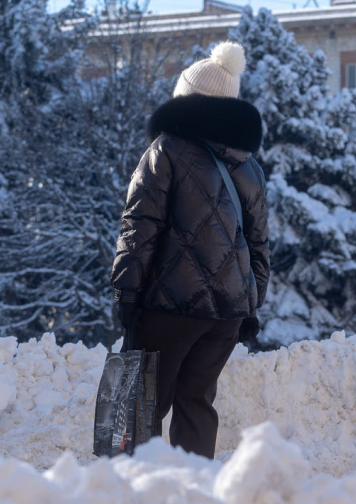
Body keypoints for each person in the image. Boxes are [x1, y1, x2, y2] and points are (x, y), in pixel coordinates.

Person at [109, 41, 270, 459]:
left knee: (136, 408)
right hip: (226, 316)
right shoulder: (249, 165)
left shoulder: (166, 150)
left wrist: (126, 293)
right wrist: (251, 305)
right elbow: (258, 245)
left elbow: (140, 226)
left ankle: (126, 501)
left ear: (187, 100)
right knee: (196, 405)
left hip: (169, 306)